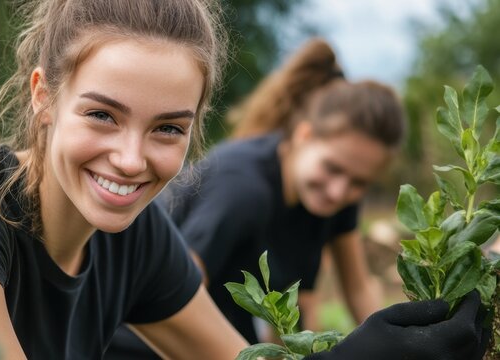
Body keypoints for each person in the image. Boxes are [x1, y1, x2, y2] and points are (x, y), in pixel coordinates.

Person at [0, 1, 486, 358]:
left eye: (167, 129)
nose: (129, 159)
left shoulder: (135, 239)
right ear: (44, 97)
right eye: (102, 114)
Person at [105, 38, 489, 359]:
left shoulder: (330, 198)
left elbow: (351, 292)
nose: (340, 190)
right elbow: (169, 300)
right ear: (304, 136)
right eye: (333, 169)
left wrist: (411, 341)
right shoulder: (244, 190)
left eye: (359, 182)